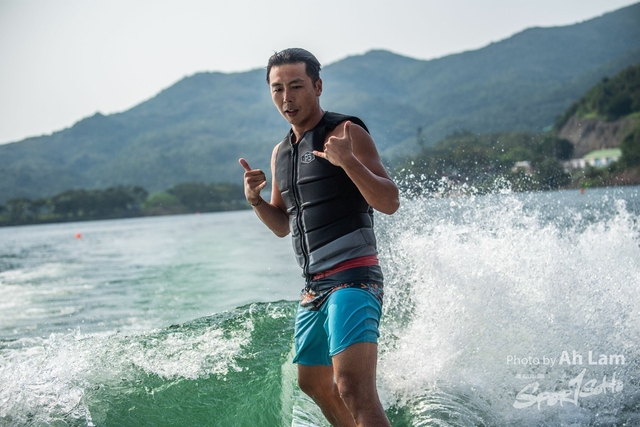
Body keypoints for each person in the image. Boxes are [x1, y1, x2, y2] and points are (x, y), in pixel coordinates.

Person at [239, 48, 399, 427]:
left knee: (353, 387)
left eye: (296, 86)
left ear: (318, 86)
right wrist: (255, 200)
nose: (287, 98)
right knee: (313, 383)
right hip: (314, 288)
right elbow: (282, 225)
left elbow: (389, 201)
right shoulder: (282, 153)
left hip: (354, 278)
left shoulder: (346, 132)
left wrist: (349, 162)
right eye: (277, 89)